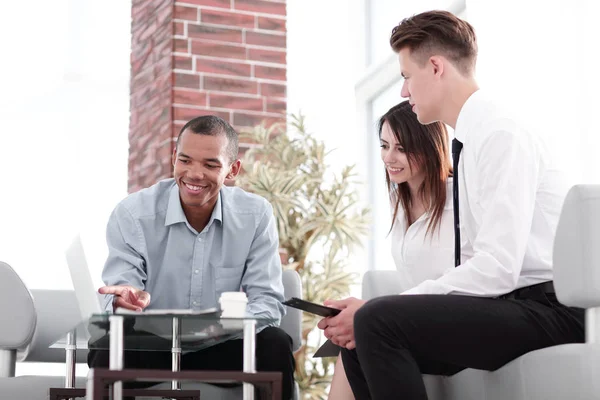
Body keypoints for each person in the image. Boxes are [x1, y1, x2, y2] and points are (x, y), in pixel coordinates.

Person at [320, 10, 585, 400]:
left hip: (551, 310)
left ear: (436, 67)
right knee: (360, 341)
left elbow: (497, 268)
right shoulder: (471, 141)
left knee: (375, 321)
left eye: (407, 77)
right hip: (515, 306)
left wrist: (381, 307)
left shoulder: (500, 132)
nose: (403, 92)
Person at [88, 115, 295, 400]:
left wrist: (218, 328)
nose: (195, 174)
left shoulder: (256, 215)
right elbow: (124, 288)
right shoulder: (133, 213)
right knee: (106, 348)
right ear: (174, 158)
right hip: (154, 347)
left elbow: (268, 302)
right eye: (185, 160)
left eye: (210, 164)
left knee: (275, 344)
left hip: (223, 346)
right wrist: (125, 300)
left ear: (232, 170)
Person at [324, 100, 460, 399]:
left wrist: (375, 313)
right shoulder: (400, 204)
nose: (389, 157)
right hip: (417, 323)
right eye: (385, 146)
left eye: (401, 148)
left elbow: (465, 280)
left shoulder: (458, 202)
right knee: (353, 342)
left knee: (364, 333)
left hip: (455, 322)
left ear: (427, 147)